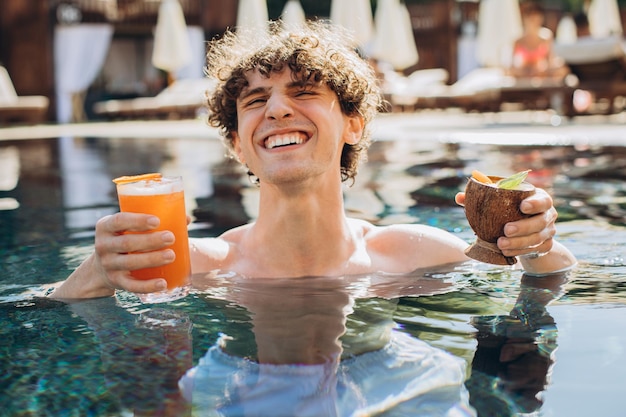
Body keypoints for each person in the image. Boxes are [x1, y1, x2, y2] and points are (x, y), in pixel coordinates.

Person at [50, 21, 576, 301]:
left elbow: (550, 280)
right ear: (237, 142)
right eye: (255, 102)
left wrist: (536, 244)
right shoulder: (191, 264)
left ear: (354, 123)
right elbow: (39, 313)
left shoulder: (410, 251)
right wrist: (95, 273)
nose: (277, 109)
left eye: (303, 93)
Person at [509, 2, 569, 79]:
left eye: (536, 18)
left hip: (542, 71)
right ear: (525, 19)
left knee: (561, 66)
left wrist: (542, 68)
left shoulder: (546, 36)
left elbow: (551, 60)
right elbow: (512, 66)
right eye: (531, 18)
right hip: (523, 71)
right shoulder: (518, 40)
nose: (534, 21)